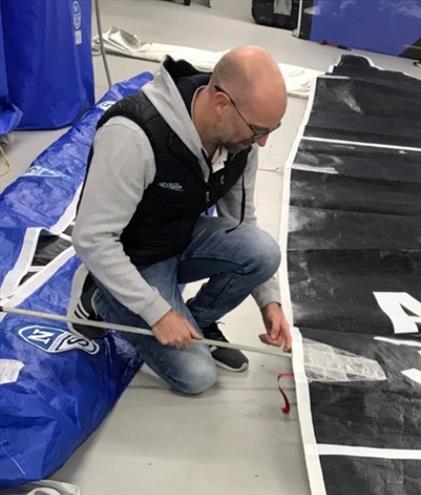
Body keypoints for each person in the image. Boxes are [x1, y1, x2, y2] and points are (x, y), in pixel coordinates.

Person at [70, 46, 292, 395]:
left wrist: (269, 301)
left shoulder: (240, 141)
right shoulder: (135, 135)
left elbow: (242, 220)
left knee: (263, 251)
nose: (262, 141)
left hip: (179, 233)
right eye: (258, 129)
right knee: (196, 376)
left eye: (271, 130)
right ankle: (97, 298)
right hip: (134, 255)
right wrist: (157, 312)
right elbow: (91, 239)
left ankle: (197, 323)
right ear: (221, 102)